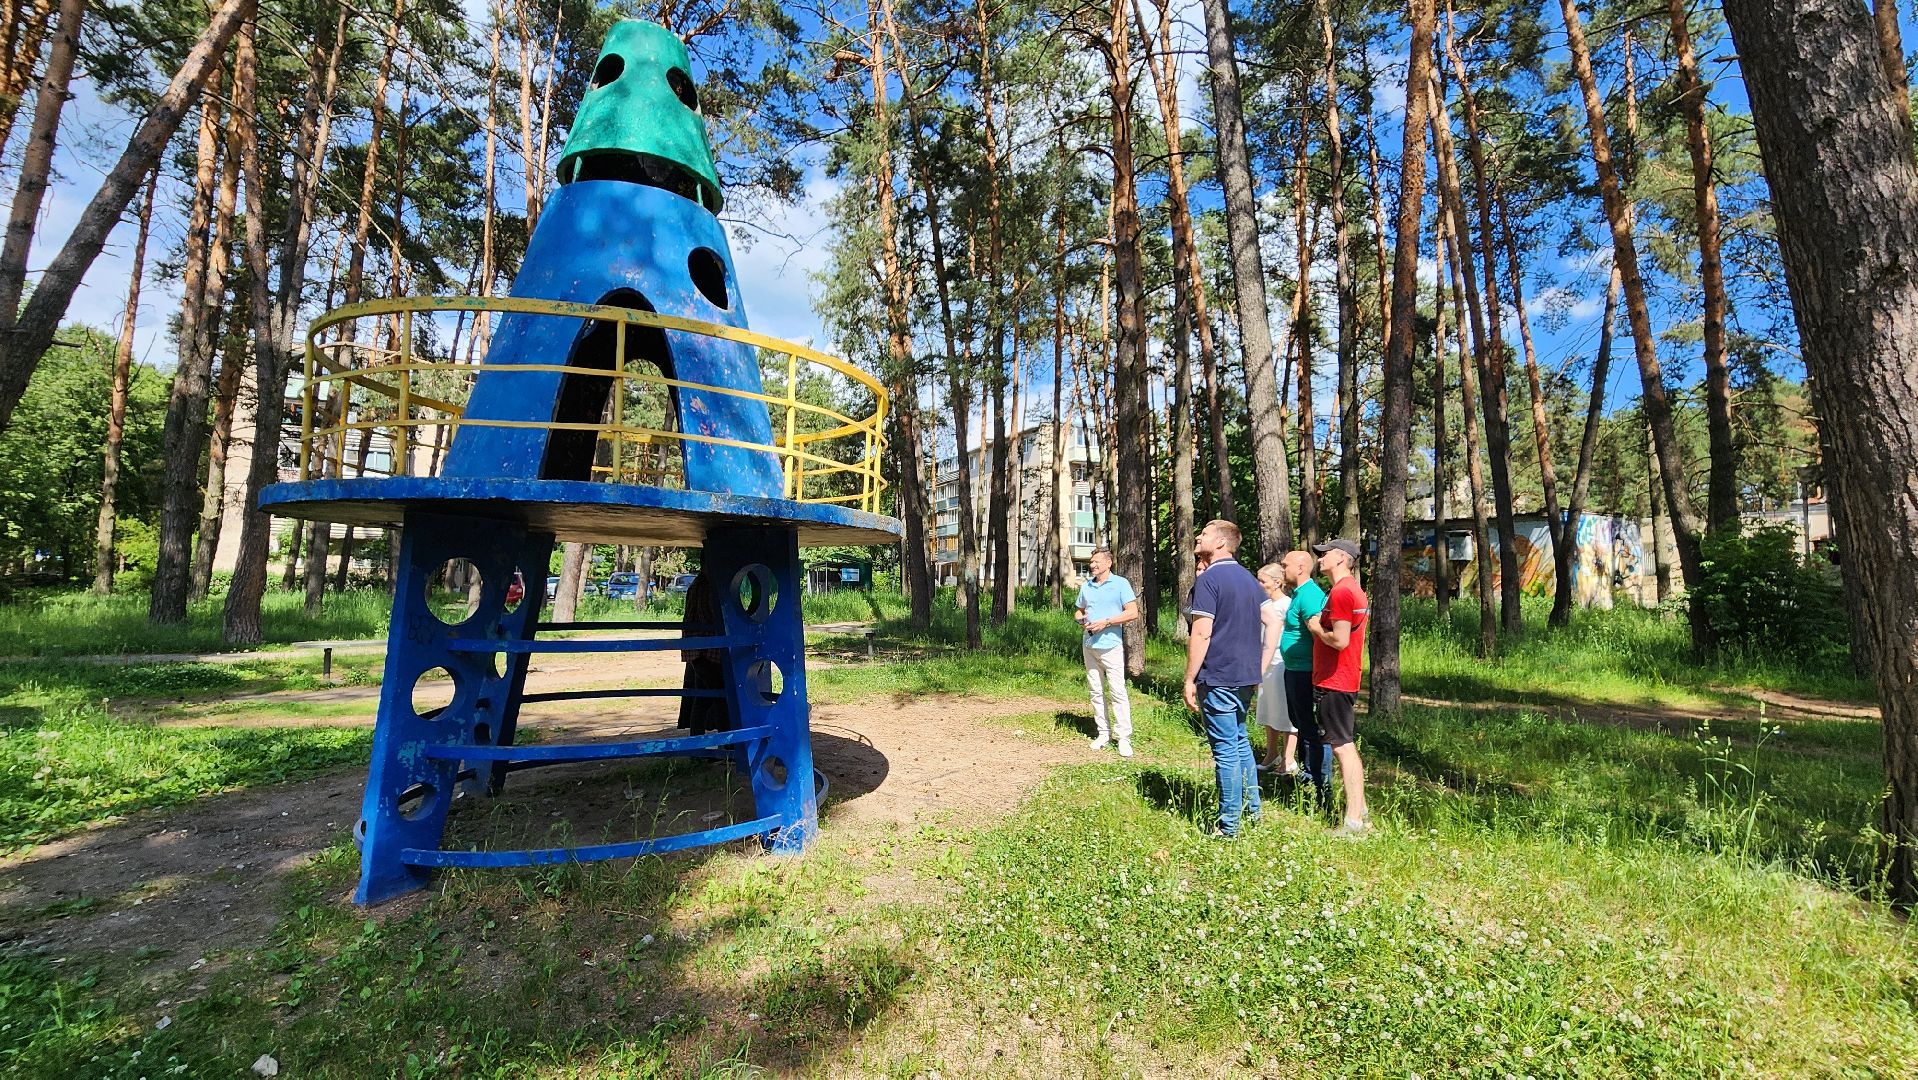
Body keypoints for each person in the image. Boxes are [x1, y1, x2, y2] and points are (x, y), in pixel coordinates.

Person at [1182, 519, 1266, 837]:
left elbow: (1202, 632)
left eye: (1203, 533)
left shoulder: (1211, 579)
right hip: (1245, 674)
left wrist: (1190, 678)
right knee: (1240, 742)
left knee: (1226, 751)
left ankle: (1229, 825)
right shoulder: (1249, 580)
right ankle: (1253, 813)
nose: (1198, 537)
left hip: (1218, 675)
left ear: (1220, 543)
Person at [1305, 538, 1372, 836]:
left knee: (1343, 747)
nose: (1319, 559)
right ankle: (1361, 812)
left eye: (1325, 554)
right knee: (1344, 744)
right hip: (1338, 679)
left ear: (1342, 559)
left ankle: (1353, 822)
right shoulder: (1348, 590)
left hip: (1336, 680)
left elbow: (1340, 640)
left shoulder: (1343, 592)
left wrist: (1316, 627)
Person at [1074, 547, 1139, 757]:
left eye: (1096, 562)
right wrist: (1080, 619)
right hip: (1089, 645)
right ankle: (1103, 733)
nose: (1092, 565)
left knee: (1117, 691)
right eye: (1091, 562)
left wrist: (1107, 622)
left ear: (1108, 563)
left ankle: (1124, 738)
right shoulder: (1087, 587)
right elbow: (1079, 610)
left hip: (1111, 646)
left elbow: (1132, 612)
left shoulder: (1120, 584)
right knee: (1095, 690)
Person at [1278, 550, 1331, 798]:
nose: (1282, 568)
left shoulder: (1310, 595)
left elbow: (1318, 635)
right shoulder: (1299, 594)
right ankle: (1308, 775)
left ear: (1300, 568)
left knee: (1311, 728)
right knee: (1301, 723)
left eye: (1285, 564)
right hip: (1294, 670)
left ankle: (1318, 783)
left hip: (1306, 671)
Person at [1254, 563, 1297, 774]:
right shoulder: (1263, 604)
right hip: (1264, 664)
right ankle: (1271, 753)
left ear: (1277, 583)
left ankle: (1289, 759)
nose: (1258, 584)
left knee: (1285, 711)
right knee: (1268, 709)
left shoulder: (1287, 605)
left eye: (1263, 581)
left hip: (1281, 663)